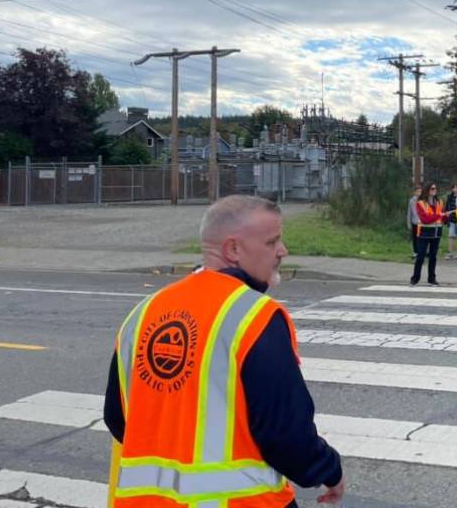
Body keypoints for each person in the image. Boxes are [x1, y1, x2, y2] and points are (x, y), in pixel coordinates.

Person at [103, 195, 345, 507]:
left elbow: (118, 418)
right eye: (272, 242)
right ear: (233, 250)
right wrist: (329, 470)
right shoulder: (254, 316)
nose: (282, 251)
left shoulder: (143, 313)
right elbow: (285, 433)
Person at [413, 183, 449, 286]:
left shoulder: (439, 202)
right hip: (424, 233)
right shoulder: (420, 203)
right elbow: (425, 219)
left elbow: (443, 219)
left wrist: (446, 216)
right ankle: (415, 278)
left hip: (436, 233)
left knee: (433, 257)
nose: (435, 190)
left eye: (435, 188)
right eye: (432, 188)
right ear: (427, 190)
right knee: (420, 256)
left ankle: (432, 279)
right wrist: (439, 215)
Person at [445, 184, 457, 259]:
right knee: (451, 236)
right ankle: (451, 253)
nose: (455, 189)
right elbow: (447, 207)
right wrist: (447, 214)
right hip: (452, 219)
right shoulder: (449, 197)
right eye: (454, 188)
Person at [407, 184, 422, 259]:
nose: (419, 193)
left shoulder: (423, 200)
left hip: (422, 222)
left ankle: (422, 252)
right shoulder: (411, 201)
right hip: (415, 222)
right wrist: (409, 224)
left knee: (421, 238)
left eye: (420, 191)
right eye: (418, 191)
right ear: (415, 192)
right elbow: (409, 213)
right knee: (415, 238)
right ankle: (415, 252)